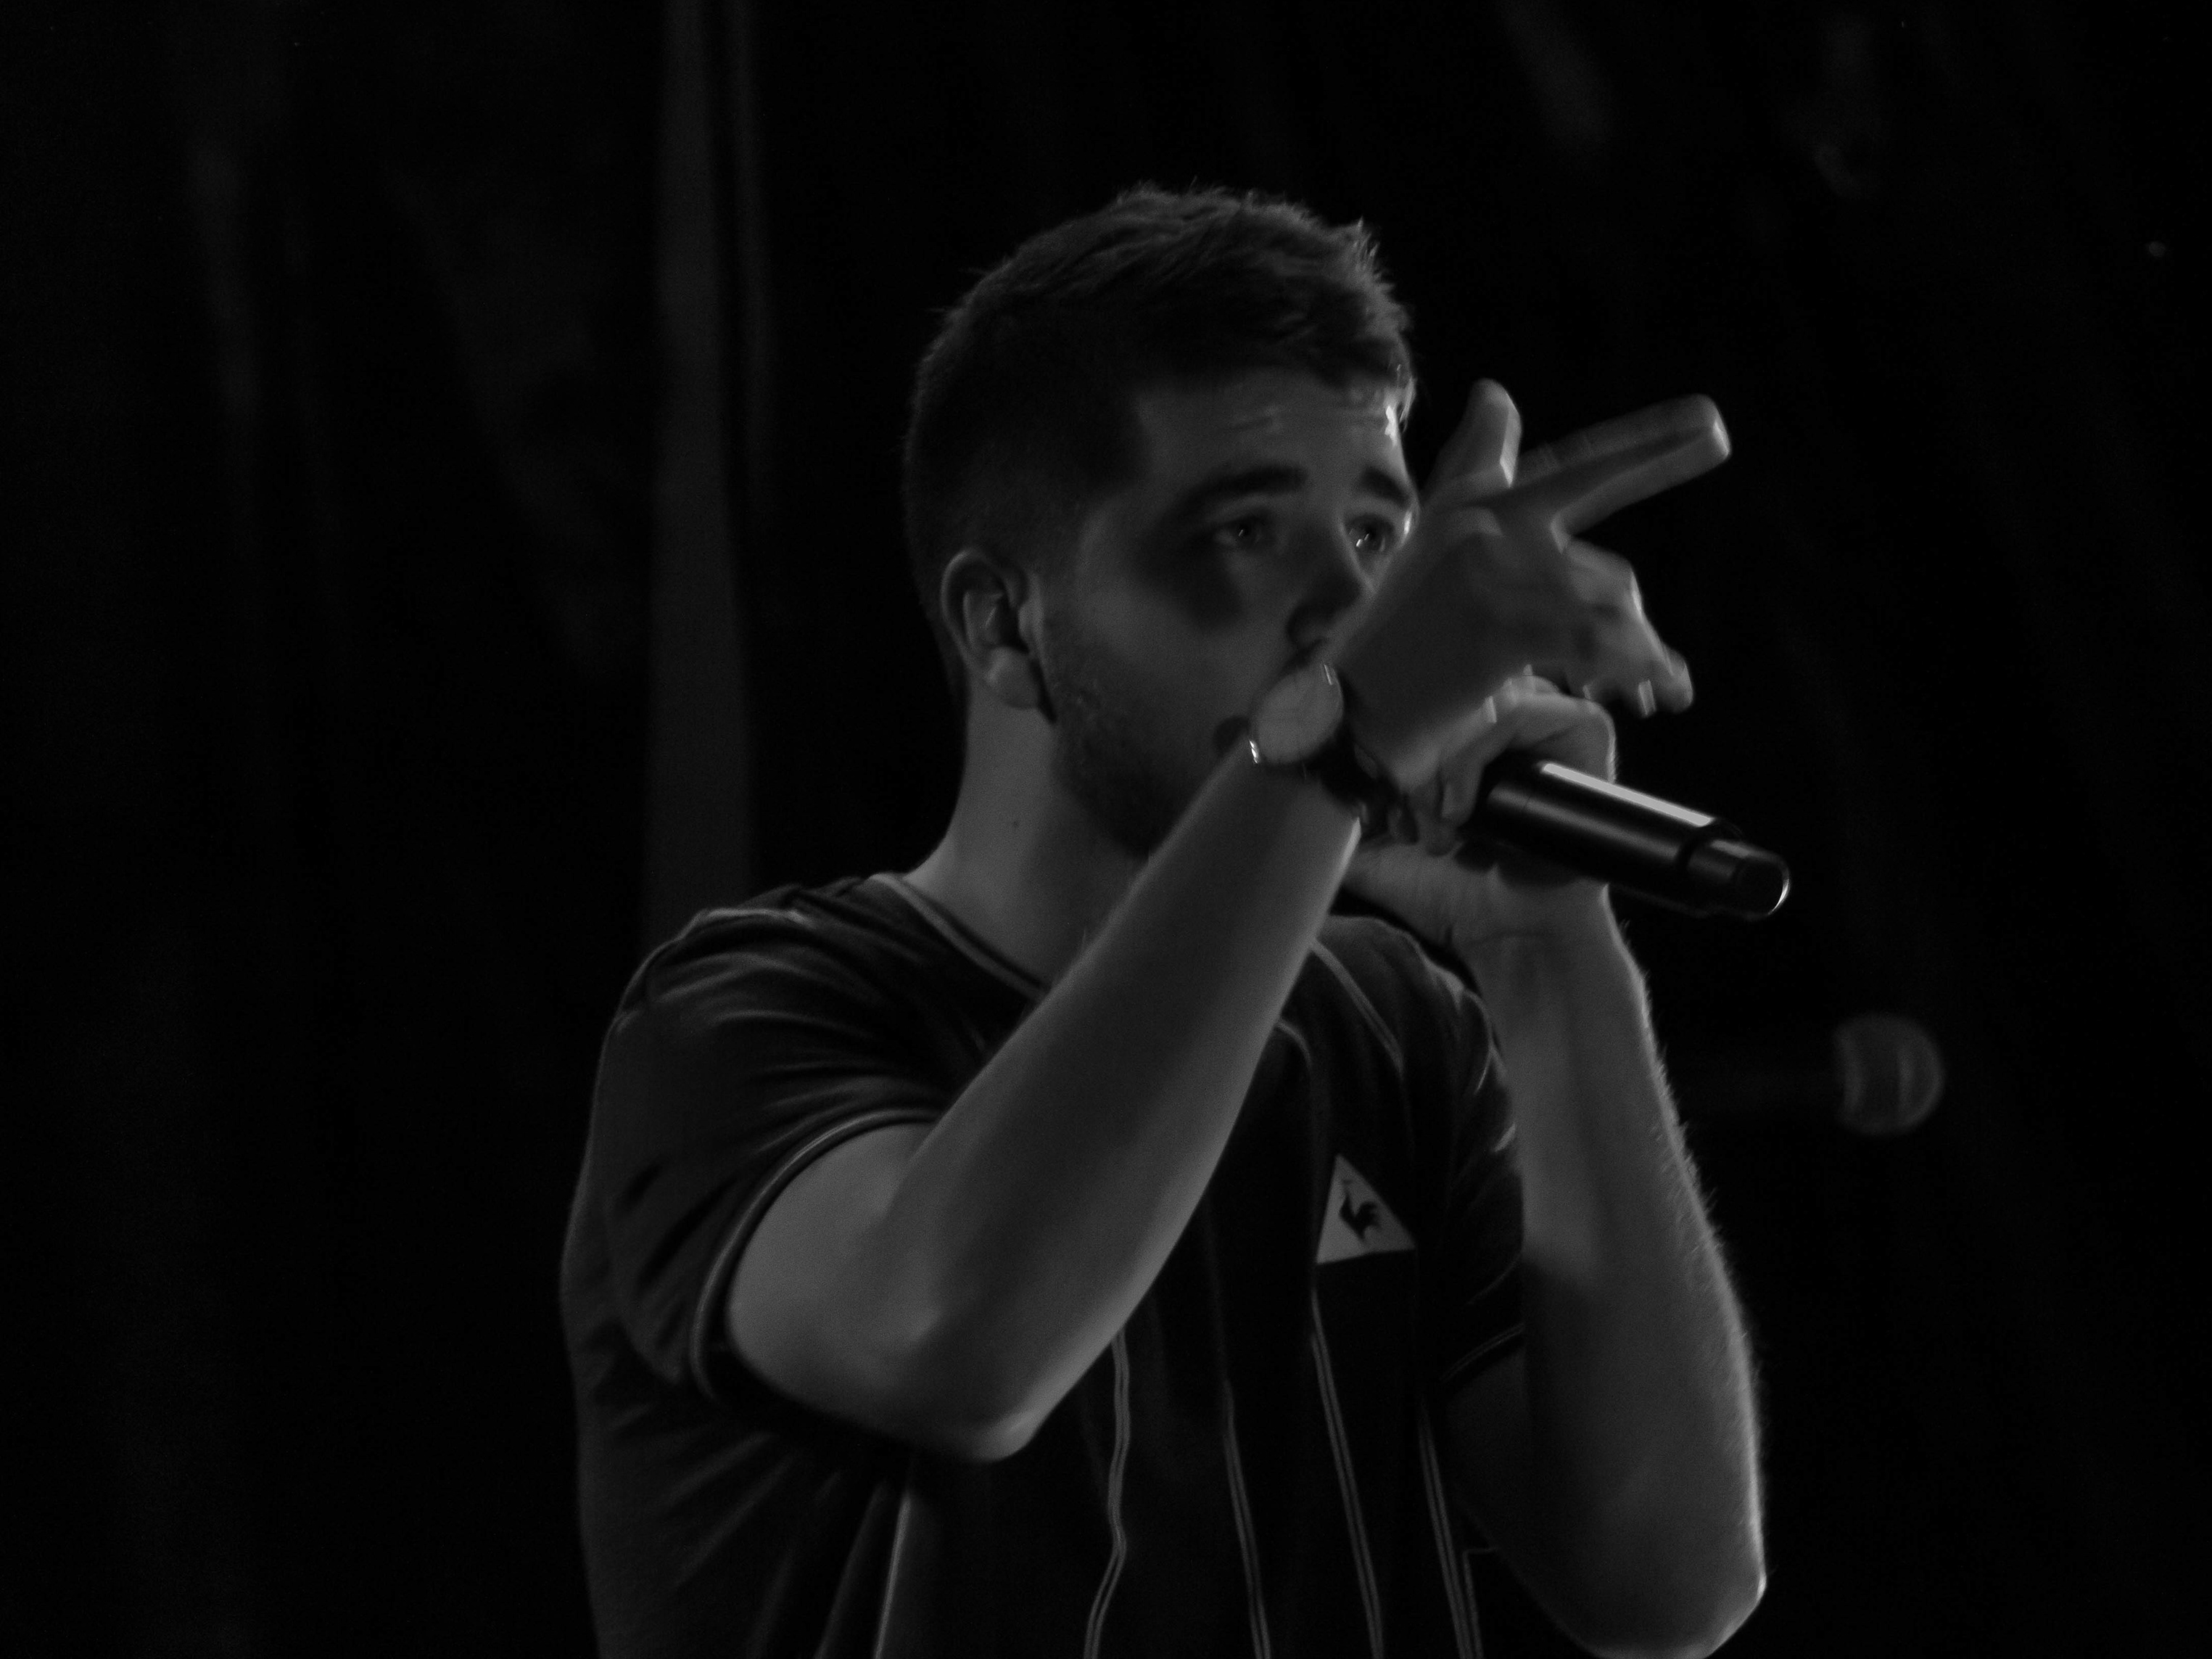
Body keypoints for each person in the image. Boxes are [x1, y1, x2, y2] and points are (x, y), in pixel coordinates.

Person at [561, 187, 1766, 1659]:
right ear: (1005, 627)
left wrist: (1548, 946)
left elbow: (1668, 1584)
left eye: (1379, 534)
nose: (1350, 608)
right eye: (1246, 531)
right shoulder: (742, 1017)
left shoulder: (1392, 1029)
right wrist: (1339, 741)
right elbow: (962, 1347)